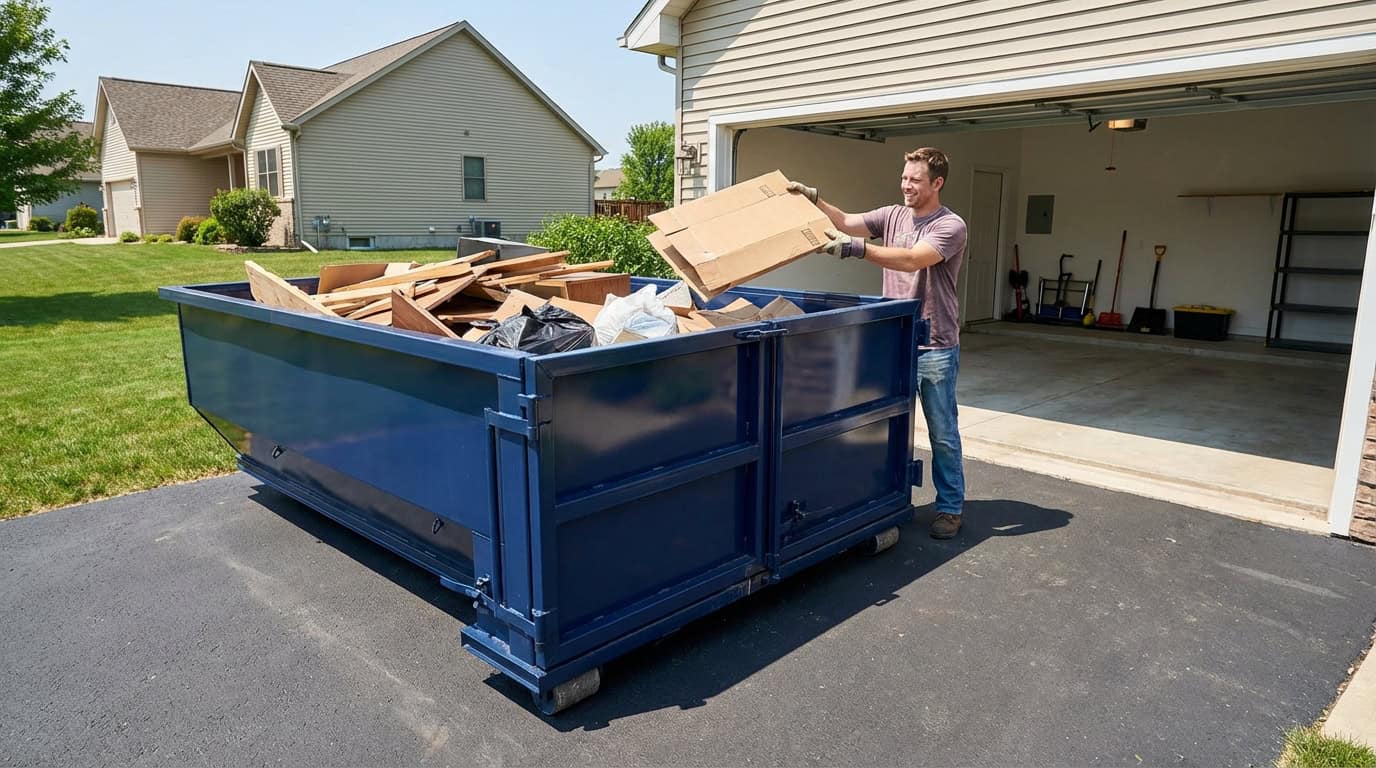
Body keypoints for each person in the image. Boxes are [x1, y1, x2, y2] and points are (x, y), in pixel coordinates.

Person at [787, 147, 968, 539]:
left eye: (915, 180)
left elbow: (911, 259)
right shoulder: (893, 215)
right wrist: (814, 198)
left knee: (942, 432)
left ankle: (950, 507)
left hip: (934, 344)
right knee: (877, 425)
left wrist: (856, 250)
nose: (906, 185)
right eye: (904, 177)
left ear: (937, 183)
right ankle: (881, 496)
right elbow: (849, 222)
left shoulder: (951, 226)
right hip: (894, 339)